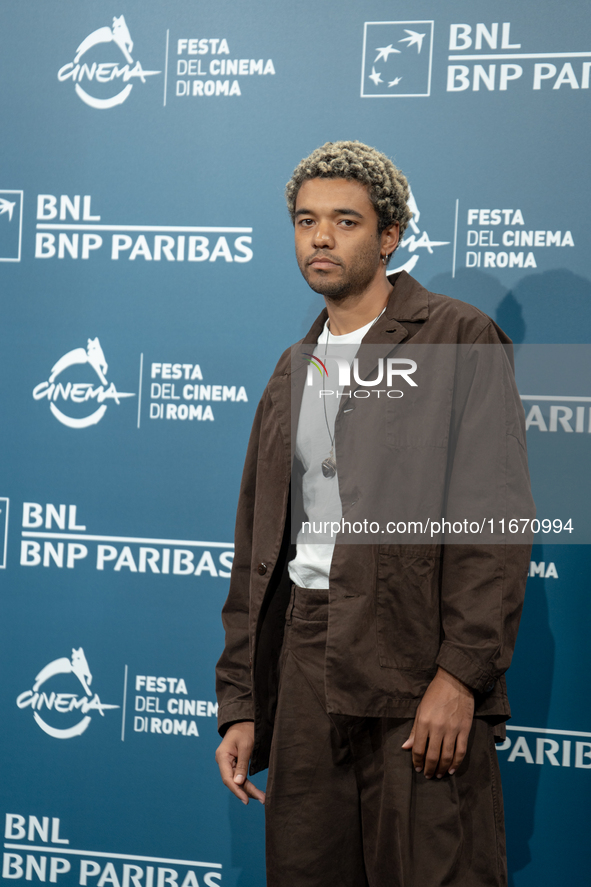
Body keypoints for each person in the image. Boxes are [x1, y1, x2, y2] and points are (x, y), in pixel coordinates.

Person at [215, 140, 533, 887]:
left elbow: (494, 522)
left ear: (389, 236)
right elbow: (256, 548)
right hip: (302, 657)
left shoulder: (457, 337)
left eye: (344, 221)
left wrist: (460, 676)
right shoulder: (292, 367)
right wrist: (242, 700)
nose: (320, 237)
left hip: (415, 655)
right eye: (305, 220)